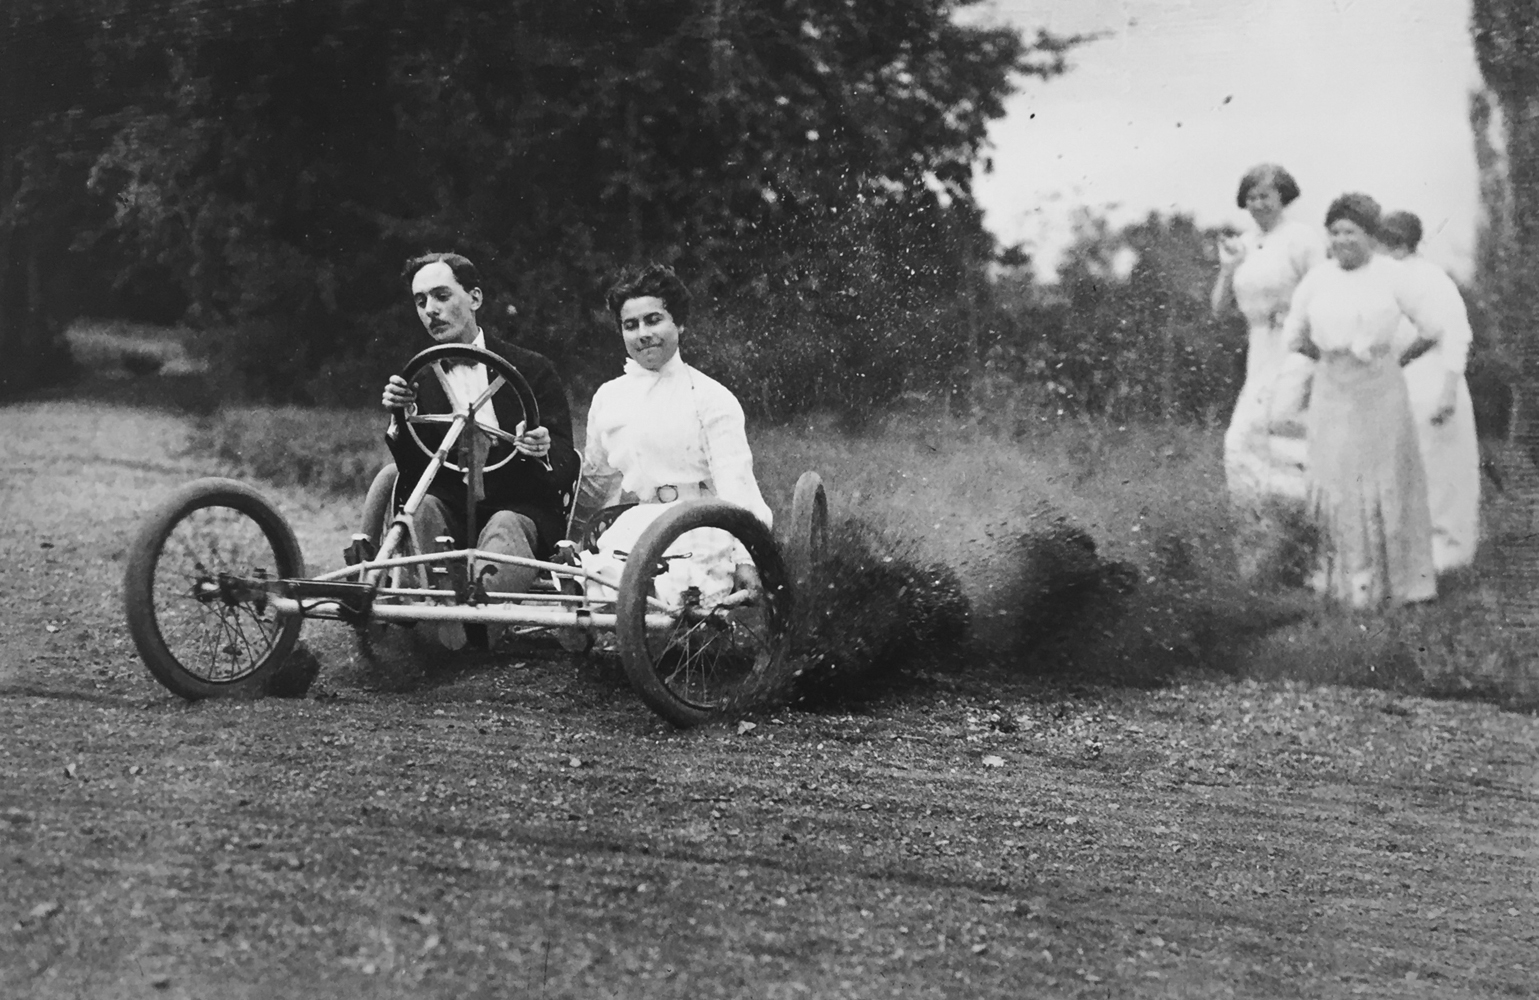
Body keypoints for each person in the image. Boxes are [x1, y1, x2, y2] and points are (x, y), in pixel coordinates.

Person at [381, 252, 579, 647]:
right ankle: (432, 612)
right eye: (421, 301)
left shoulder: (532, 368)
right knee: (421, 509)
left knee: (506, 524)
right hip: (451, 508)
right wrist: (400, 420)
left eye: (441, 295)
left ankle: (473, 627)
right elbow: (413, 473)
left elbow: (565, 458)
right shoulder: (420, 377)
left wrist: (541, 447)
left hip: (520, 505)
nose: (431, 311)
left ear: (474, 298)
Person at [572, 263, 772, 607]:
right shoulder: (609, 397)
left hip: (701, 523)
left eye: (654, 320)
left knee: (669, 584)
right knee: (599, 571)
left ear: (678, 323)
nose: (643, 334)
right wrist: (574, 533)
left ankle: (649, 602)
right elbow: (597, 480)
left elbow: (736, 483)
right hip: (639, 520)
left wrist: (746, 559)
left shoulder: (709, 397)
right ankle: (592, 600)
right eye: (630, 325)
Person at [1281, 194, 1447, 608]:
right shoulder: (1317, 279)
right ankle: (1341, 584)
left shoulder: (1392, 275)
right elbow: (1295, 335)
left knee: (1383, 479)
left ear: (1371, 236)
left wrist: (1389, 360)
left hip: (1381, 391)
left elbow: (1430, 328)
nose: (1342, 240)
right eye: (1334, 232)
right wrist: (1330, 360)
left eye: (1351, 232)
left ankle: (1397, 585)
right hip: (1333, 391)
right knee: (1336, 480)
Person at [1210, 163, 1326, 583]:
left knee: (1290, 445)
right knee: (1241, 447)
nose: (1258, 203)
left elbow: (1324, 291)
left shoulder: (1301, 238)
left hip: (1298, 349)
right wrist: (1227, 268)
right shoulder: (1243, 244)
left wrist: (1295, 315)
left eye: (1267, 194)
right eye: (1252, 196)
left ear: (1283, 196)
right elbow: (1219, 309)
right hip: (1260, 351)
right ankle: (1261, 559)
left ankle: (1316, 558)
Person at [1377, 210, 1481, 574]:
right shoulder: (1386, 278)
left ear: (1402, 244)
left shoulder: (1432, 278)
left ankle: (1448, 557)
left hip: (1434, 378)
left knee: (1441, 470)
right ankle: (1409, 555)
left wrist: (1449, 391)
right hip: (1401, 380)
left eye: (1385, 243)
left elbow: (1456, 334)